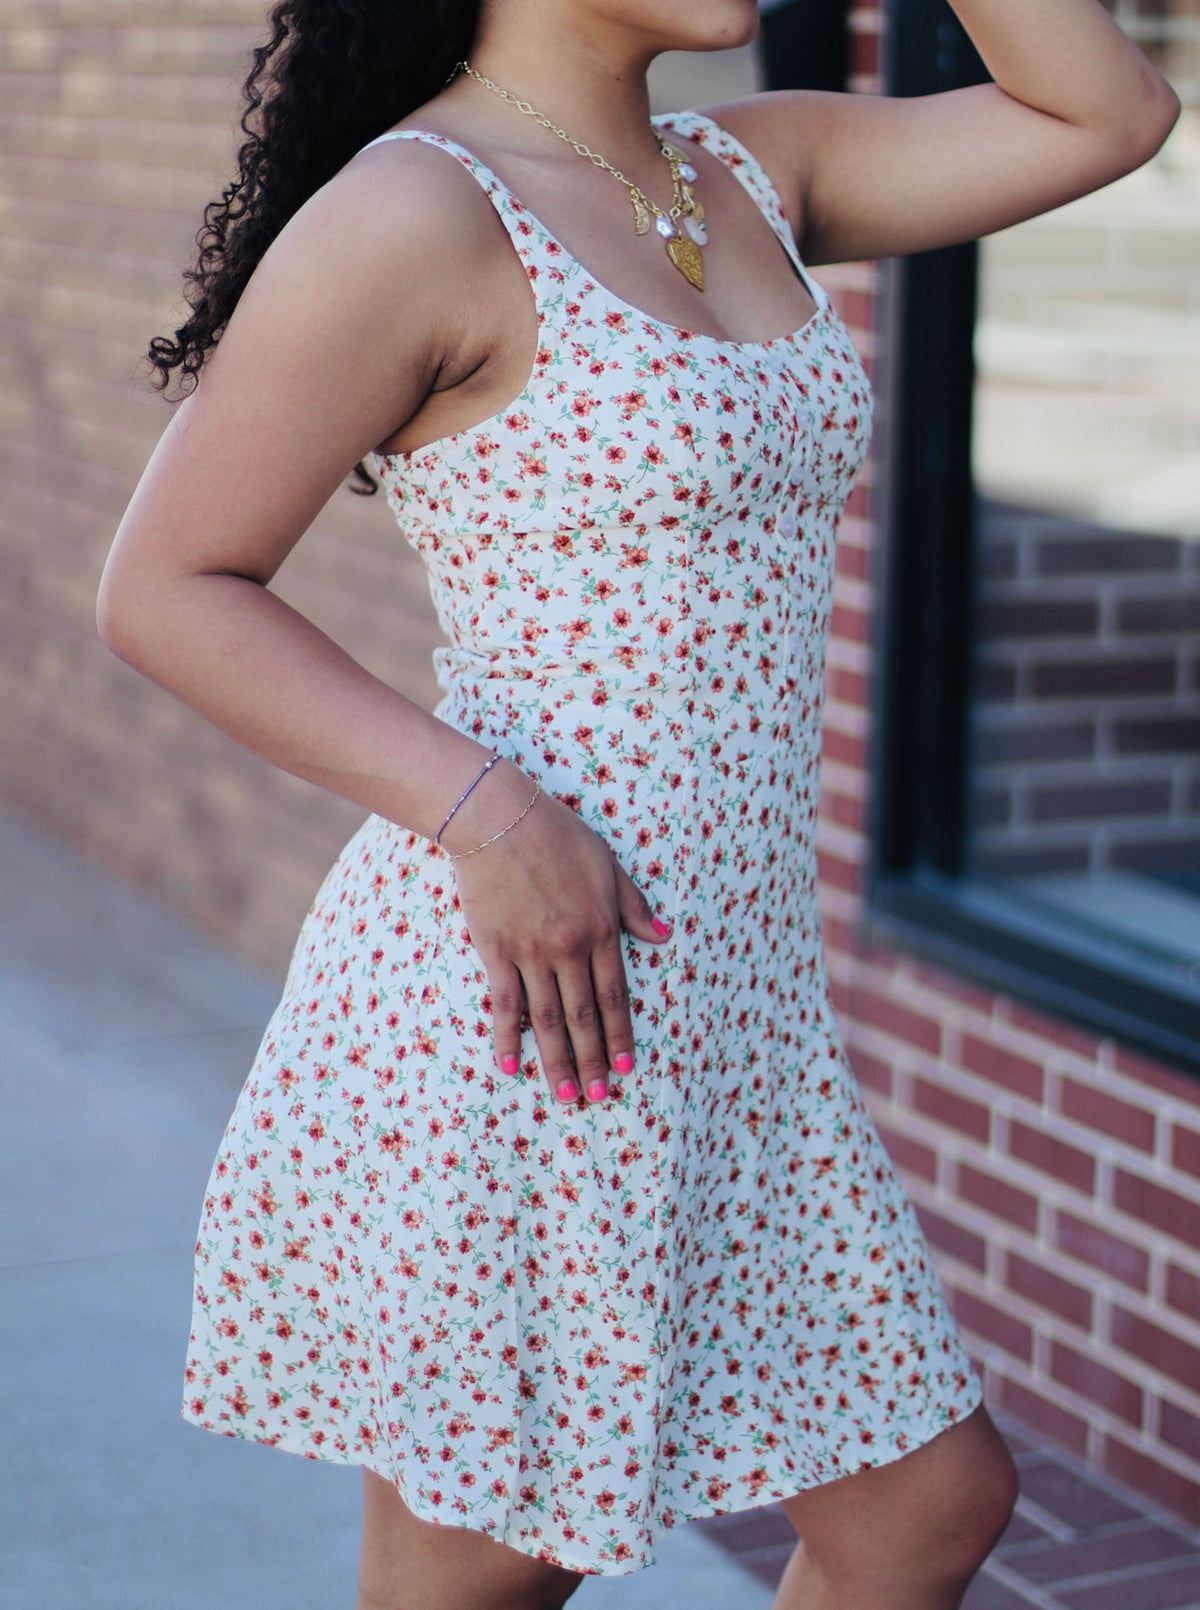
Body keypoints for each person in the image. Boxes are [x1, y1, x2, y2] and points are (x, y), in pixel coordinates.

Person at [96, 2, 1178, 1606]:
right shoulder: (419, 209)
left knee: (923, 1512)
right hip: (541, 1017)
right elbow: (167, 584)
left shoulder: (757, 167)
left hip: (740, 1018)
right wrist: (484, 809)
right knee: (484, 1583)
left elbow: (1108, 113)